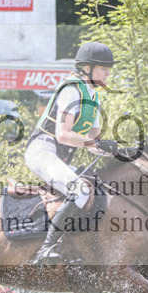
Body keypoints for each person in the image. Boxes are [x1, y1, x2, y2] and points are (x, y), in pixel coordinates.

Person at [24, 41, 119, 265]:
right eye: (103, 67)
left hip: (58, 156)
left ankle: (78, 246)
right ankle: (45, 249)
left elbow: (94, 143)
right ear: (87, 68)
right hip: (42, 150)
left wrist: (119, 152)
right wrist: (98, 144)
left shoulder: (92, 97)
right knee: (80, 191)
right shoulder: (71, 90)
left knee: (99, 188)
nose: (108, 72)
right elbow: (64, 135)